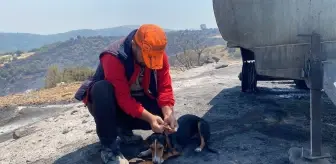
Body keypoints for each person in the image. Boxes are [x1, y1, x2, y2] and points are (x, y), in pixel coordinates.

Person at [74, 24, 178, 164]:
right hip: (109, 107)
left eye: (154, 57)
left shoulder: (157, 54)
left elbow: (165, 87)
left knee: (162, 112)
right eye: (146, 56)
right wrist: (150, 118)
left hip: (134, 102)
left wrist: (168, 113)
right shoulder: (113, 56)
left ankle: (124, 131)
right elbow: (123, 99)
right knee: (102, 89)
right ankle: (109, 148)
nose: (150, 61)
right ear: (135, 45)